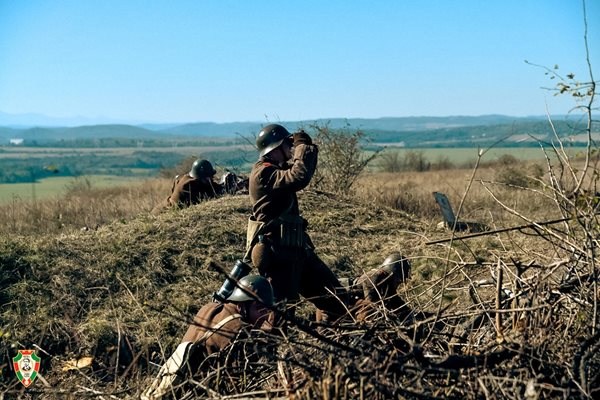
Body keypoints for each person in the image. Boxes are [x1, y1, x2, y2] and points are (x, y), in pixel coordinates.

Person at [246, 124, 346, 322]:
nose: (291, 148)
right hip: (278, 256)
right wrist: (302, 147)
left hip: (296, 250)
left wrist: (302, 146)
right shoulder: (263, 174)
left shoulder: (274, 170)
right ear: (275, 148)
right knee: (280, 317)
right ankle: (264, 351)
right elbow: (299, 176)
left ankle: (332, 343)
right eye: (287, 144)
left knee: (337, 300)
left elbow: (298, 173)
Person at [141, 274, 275, 400]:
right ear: (241, 305)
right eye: (260, 309)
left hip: (173, 384)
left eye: (267, 311)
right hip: (194, 394)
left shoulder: (208, 307)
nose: (264, 317)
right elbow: (238, 386)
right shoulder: (240, 331)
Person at [152, 159, 225, 214]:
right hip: (161, 213)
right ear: (202, 177)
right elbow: (207, 197)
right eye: (209, 176)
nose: (212, 178)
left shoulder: (187, 178)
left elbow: (208, 187)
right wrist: (223, 187)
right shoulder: (188, 185)